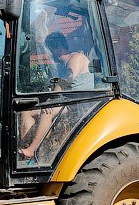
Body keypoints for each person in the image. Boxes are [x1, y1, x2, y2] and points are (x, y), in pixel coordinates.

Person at [18, 31, 91, 160]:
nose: (50, 53)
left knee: (48, 111)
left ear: (58, 48)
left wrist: (50, 101)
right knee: (27, 111)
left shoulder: (76, 58)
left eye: (51, 50)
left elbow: (66, 79)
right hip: (66, 102)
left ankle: (33, 150)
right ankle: (25, 148)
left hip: (79, 103)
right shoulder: (62, 64)